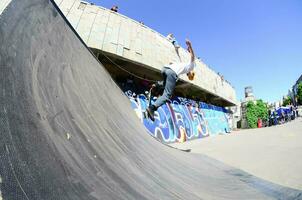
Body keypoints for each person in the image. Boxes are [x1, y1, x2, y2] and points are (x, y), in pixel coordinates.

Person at [146, 39, 196, 121]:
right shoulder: (191, 66)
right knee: (167, 95)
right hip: (171, 73)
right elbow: (193, 57)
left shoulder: (182, 65)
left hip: (164, 69)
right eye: (189, 75)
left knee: (168, 83)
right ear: (191, 72)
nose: (188, 75)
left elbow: (171, 63)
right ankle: (152, 108)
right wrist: (190, 46)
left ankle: (156, 84)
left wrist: (188, 49)